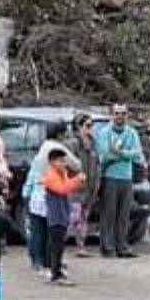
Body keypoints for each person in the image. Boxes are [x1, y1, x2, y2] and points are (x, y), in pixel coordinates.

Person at [20, 121, 70, 274]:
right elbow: (76, 164)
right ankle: (49, 261)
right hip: (49, 194)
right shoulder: (57, 150)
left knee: (37, 228)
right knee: (51, 230)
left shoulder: (40, 151)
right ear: (60, 134)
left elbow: (32, 173)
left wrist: (26, 192)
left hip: (36, 193)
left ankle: (37, 259)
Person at [97, 104, 144, 258]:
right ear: (112, 114)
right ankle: (107, 247)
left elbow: (137, 153)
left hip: (126, 177)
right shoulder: (104, 132)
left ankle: (122, 246)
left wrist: (120, 153)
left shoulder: (132, 132)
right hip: (110, 177)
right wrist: (125, 154)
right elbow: (105, 155)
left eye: (123, 113)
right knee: (108, 214)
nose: (120, 116)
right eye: (117, 113)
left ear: (127, 115)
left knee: (124, 215)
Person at [42, 147, 84, 287]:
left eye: (64, 161)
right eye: (60, 161)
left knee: (59, 245)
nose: (64, 164)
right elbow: (62, 189)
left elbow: (66, 187)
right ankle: (55, 273)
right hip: (55, 216)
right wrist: (77, 180)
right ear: (52, 162)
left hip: (62, 214)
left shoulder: (62, 173)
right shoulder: (51, 176)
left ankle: (56, 270)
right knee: (56, 246)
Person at [69, 113, 100, 257]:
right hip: (76, 187)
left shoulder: (93, 142)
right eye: (87, 125)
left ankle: (81, 246)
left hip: (91, 186)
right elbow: (69, 164)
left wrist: (97, 181)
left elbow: (97, 163)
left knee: (84, 216)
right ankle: (76, 245)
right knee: (76, 217)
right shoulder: (73, 143)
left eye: (91, 125)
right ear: (78, 126)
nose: (90, 129)